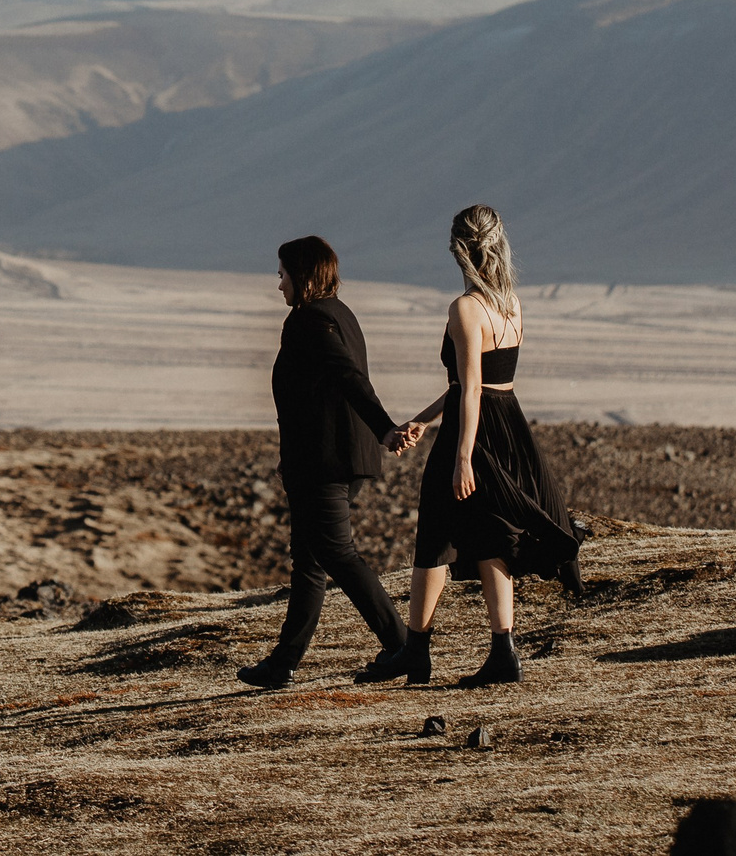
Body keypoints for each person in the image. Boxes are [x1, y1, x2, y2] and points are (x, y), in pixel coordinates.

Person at [387, 204, 581, 687]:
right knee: (495, 534)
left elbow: (470, 389)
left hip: (473, 431)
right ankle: (502, 650)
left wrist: (462, 458)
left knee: (434, 536)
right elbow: (481, 382)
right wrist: (425, 420)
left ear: (458, 249)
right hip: (507, 423)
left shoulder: (466, 308)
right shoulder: (511, 303)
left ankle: (417, 651)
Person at [237, 234, 414, 691]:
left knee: (335, 553)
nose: (279, 286)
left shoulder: (308, 320)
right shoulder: (341, 314)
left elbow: (346, 377)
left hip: (325, 462)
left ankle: (403, 645)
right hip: (329, 458)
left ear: (302, 275)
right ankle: (283, 663)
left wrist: (385, 427)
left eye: (282, 275)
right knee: (309, 561)